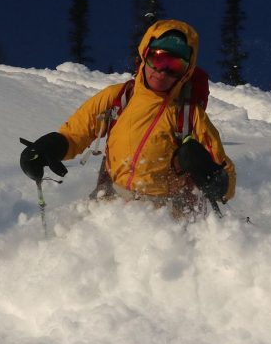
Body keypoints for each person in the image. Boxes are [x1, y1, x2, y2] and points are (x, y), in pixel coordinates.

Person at [20, 19, 235, 217]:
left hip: (166, 219)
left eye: (174, 66)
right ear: (145, 55)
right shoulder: (119, 98)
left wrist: (211, 174)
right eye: (158, 58)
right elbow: (75, 133)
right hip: (110, 203)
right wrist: (48, 148)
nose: (162, 72)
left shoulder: (190, 116)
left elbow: (227, 179)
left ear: (186, 72)